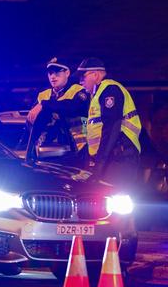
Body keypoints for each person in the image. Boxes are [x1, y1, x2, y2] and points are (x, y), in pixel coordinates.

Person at [78, 57, 142, 189]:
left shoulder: (110, 90)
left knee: (115, 201)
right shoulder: (97, 94)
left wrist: (100, 163)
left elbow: (112, 128)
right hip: (113, 157)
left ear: (95, 75)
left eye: (82, 77)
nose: (80, 82)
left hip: (120, 156)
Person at [26, 57, 90, 156]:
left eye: (57, 73)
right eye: (50, 73)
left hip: (78, 149)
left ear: (67, 73)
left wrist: (44, 105)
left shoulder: (79, 91)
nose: (53, 77)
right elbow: (31, 122)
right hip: (47, 151)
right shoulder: (43, 95)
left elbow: (71, 107)